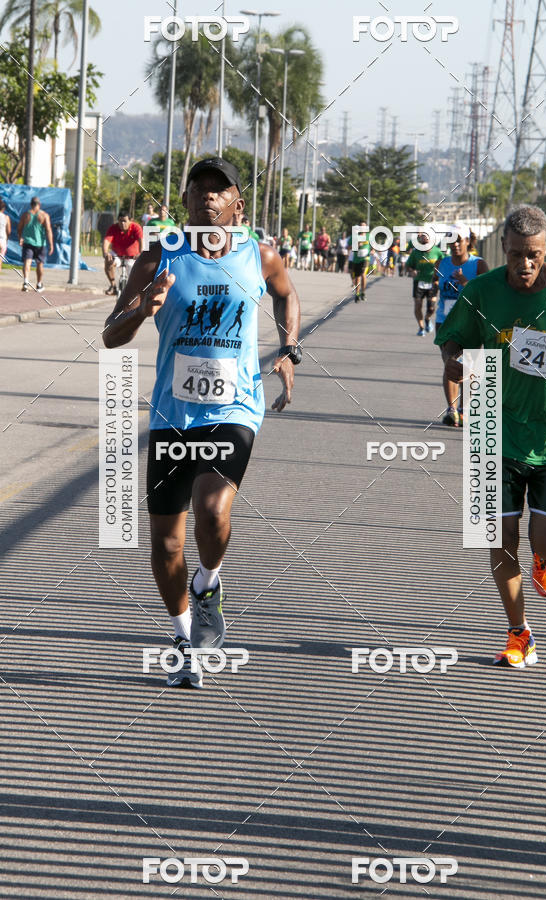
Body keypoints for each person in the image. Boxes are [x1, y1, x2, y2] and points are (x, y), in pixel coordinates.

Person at [102, 156, 302, 689]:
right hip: (173, 414)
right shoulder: (159, 256)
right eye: (199, 188)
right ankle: (185, 637)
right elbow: (110, 335)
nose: (208, 196)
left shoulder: (259, 255)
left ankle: (208, 582)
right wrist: (141, 309)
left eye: (219, 189)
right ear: (186, 200)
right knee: (167, 545)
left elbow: (286, 294)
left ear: (239, 203)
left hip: (235, 408)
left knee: (212, 511)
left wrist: (289, 348)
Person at [435, 204, 546, 668]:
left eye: (533, 255)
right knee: (497, 537)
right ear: (503, 248)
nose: (524, 265)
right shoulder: (482, 290)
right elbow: (452, 337)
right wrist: (453, 360)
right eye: (515, 255)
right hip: (490, 415)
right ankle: (518, 633)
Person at [436, 223, 488, 426]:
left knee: (468, 365)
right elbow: (435, 285)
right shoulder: (441, 263)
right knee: (450, 362)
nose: (455, 244)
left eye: (459, 240)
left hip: (471, 323)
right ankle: (452, 410)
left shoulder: (478, 265)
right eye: (451, 240)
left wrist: (465, 282)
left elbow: (485, 295)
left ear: (468, 241)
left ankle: (464, 409)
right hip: (446, 321)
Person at [406, 233, 445, 335]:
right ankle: (421, 327)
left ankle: (427, 319)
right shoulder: (415, 253)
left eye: (427, 241)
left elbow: (445, 263)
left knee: (431, 308)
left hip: (433, 282)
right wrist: (412, 271)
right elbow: (408, 266)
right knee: (418, 306)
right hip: (419, 281)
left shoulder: (438, 252)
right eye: (423, 241)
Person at [18, 196, 54, 292]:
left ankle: (26, 282)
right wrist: (51, 244)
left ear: (31, 204)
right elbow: (48, 230)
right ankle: (39, 284)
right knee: (40, 264)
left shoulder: (25, 215)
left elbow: (19, 228)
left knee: (27, 262)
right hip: (40, 244)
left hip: (28, 242)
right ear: (39, 204)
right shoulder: (44, 215)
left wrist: (20, 237)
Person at [102, 212, 143, 296]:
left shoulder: (136, 227)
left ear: (131, 221)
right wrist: (105, 253)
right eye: (120, 221)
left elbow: (141, 241)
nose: (122, 223)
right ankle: (113, 286)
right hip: (117, 255)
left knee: (136, 281)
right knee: (108, 261)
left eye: (124, 221)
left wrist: (140, 253)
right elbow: (106, 241)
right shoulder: (113, 228)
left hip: (132, 257)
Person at [348, 222, 370, 302]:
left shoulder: (369, 236)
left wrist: (373, 250)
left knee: (363, 274)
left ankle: (363, 292)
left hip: (365, 258)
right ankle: (357, 294)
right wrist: (356, 245)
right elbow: (348, 247)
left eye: (364, 226)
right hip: (356, 259)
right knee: (357, 277)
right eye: (361, 226)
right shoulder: (354, 236)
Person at [0, 200, 11, 271]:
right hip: (2, 239)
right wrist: (7, 238)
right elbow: (8, 231)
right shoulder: (6, 217)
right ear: (3, 209)